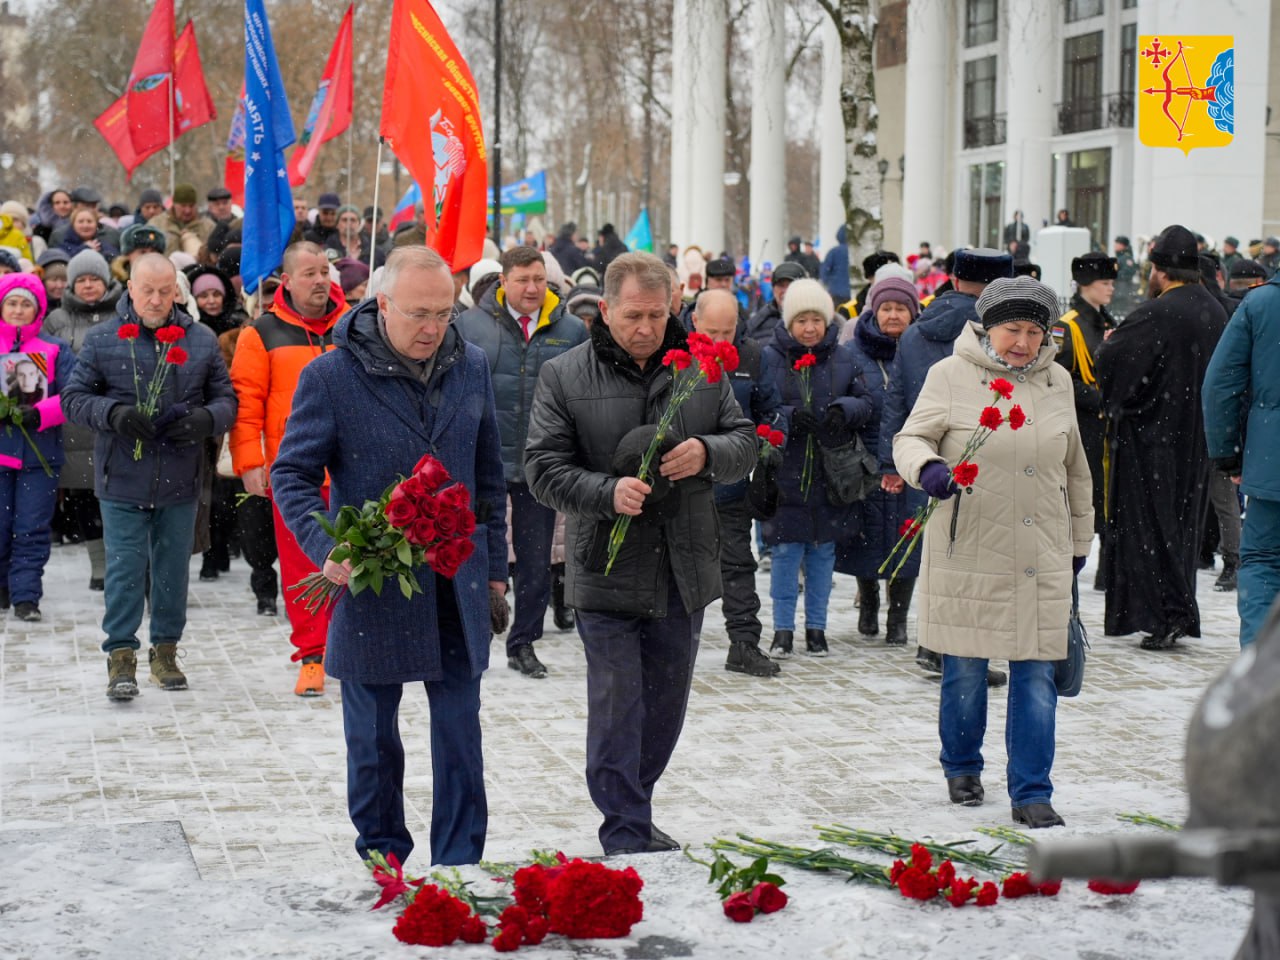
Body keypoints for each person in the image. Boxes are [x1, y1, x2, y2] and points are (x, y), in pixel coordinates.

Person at [271, 245, 508, 867]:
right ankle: (383, 857)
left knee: (460, 732)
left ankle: (459, 862)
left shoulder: (472, 365)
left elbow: (489, 480)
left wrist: (497, 576)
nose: (433, 328)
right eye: (419, 314)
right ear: (382, 306)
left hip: (456, 581)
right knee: (374, 737)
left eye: (444, 314)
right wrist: (327, 546)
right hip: (374, 582)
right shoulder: (330, 376)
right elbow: (291, 474)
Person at [524, 252, 755, 856]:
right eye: (633, 316)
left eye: (658, 314)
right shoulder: (565, 374)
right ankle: (623, 827)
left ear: (675, 306)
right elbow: (542, 468)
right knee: (618, 703)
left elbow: (746, 443)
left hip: (683, 564)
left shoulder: (702, 370)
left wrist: (708, 451)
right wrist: (607, 492)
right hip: (605, 563)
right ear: (605, 310)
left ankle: (636, 803)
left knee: (663, 709)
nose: (647, 328)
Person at [893, 276, 1093, 829]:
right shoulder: (950, 375)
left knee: (1036, 676)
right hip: (971, 546)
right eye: (1013, 329)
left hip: (1041, 550)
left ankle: (1032, 791)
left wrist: (1079, 541)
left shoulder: (1058, 381)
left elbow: (1075, 468)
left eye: (1034, 331)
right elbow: (910, 439)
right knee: (965, 669)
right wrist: (929, 470)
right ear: (988, 327)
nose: (1023, 343)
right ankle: (961, 765)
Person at [61, 254, 237, 700]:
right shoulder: (103, 339)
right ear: (131, 290)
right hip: (121, 475)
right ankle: (121, 655)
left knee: (172, 571)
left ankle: (166, 650)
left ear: (176, 291)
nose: (156, 300)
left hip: (179, 477)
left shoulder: (199, 340)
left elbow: (227, 400)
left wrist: (204, 420)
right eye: (147, 291)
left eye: (165, 291)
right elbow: (74, 398)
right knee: (123, 570)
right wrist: (114, 413)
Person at [880, 247, 1013, 682]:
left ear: (954, 279)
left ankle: (931, 643)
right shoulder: (998, 332)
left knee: (935, 550)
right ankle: (960, 652)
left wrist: (892, 461)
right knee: (977, 557)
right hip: (982, 451)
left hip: (924, 454)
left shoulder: (917, 333)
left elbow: (895, 399)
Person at [455, 245, 588, 679]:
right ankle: (471, 636)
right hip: (482, 460)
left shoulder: (570, 330)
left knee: (535, 561)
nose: (532, 289)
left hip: (541, 463)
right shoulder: (471, 325)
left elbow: (582, 393)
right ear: (503, 282)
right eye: (523, 280)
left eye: (539, 280)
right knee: (475, 552)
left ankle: (524, 642)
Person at [1096, 225, 1229, 650]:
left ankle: (1165, 614)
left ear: (1159, 270)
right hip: (1197, 437)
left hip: (1155, 439)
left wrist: (1108, 348)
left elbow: (1113, 362)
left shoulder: (1159, 311)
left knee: (1152, 528)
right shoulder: (1213, 309)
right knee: (1182, 527)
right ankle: (1175, 610)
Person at [229, 242, 347, 695]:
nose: (320, 280)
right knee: (303, 567)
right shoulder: (261, 333)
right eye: (310, 273)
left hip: (352, 470)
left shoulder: (354, 325)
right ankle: (312, 655)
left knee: (358, 559)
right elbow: (247, 405)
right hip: (294, 472)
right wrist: (251, 463)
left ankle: (352, 644)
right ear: (288, 281)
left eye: (325, 271)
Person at [760, 278, 872, 658]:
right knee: (786, 555)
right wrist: (789, 417)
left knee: (822, 555)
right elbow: (761, 407)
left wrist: (843, 411)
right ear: (789, 323)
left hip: (829, 477)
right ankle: (782, 630)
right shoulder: (771, 358)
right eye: (801, 320)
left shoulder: (843, 358)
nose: (809, 328)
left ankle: (817, 629)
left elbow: (866, 402)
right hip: (787, 476)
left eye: (816, 320)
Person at [692, 289, 785, 677]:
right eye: (711, 331)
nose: (719, 341)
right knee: (674, 568)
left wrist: (766, 440)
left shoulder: (752, 356)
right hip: (681, 484)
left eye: (727, 332)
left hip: (730, 482)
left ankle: (744, 643)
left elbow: (771, 409)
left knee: (737, 564)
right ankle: (665, 644)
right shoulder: (674, 355)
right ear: (695, 322)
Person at [836, 275, 922, 643]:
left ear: (912, 313)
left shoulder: (922, 349)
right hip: (867, 459)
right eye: (886, 308)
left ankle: (898, 618)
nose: (893, 315)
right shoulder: (853, 351)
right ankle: (869, 604)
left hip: (912, 457)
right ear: (875, 310)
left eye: (900, 309)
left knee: (908, 536)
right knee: (867, 536)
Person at [1203, 266, 1280, 647]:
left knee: (1264, 562)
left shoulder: (1261, 303)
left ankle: (1260, 669)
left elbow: (1220, 384)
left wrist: (1227, 454)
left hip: (1272, 464)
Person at [43, 250, 125, 591]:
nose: (89, 285)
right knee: (84, 497)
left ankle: (121, 560)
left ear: (105, 281)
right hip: (75, 423)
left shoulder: (123, 313)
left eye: (94, 278)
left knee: (119, 495)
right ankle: (99, 565)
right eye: (82, 280)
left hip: (115, 418)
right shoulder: (57, 319)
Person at [0, 274, 74, 622]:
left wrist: (40, 413)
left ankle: (26, 595)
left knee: (30, 527)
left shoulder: (55, 348)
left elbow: (74, 396)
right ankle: (2, 586)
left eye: (25, 303)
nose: (18, 310)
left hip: (39, 457)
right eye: (11, 303)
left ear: (38, 309)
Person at [1052, 252, 1116, 588]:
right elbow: (1061, 376)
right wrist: (1101, 400)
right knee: (1081, 495)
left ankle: (1107, 571)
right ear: (1087, 284)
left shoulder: (1108, 322)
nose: (1111, 289)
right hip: (1084, 424)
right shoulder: (1068, 325)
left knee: (1108, 497)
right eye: (1105, 283)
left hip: (1108, 426)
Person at [743, 260, 806, 345]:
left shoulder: (816, 320)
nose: (785, 291)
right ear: (773, 289)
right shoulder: (758, 321)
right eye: (781, 285)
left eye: (791, 285)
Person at [148, 184, 213, 258]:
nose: (187, 210)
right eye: (183, 206)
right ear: (174, 205)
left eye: (191, 206)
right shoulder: (157, 224)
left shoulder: (208, 227)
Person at [819, 225, 851, 305]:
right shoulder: (853, 252)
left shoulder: (833, 252)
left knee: (838, 315)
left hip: (836, 292)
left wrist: (827, 282)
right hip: (851, 292)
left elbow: (824, 271)